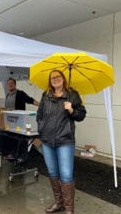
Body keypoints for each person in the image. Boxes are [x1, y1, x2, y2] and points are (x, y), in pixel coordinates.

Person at [36, 70, 86, 214]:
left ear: (63, 79)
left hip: (65, 141)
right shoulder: (46, 95)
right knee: (53, 172)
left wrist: (71, 110)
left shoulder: (72, 95)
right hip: (47, 141)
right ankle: (59, 203)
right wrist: (42, 128)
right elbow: (39, 114)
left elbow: (81, 115)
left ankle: (69, 209)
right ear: (49, 80)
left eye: (58, 77)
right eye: (53, 77)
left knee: (66, 174)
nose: (55, 79)